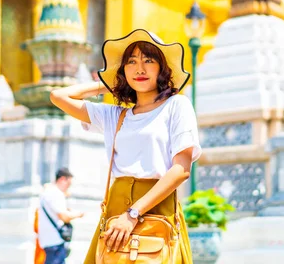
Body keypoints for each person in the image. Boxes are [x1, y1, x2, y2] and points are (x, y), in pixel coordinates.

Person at [50, 29, 201, 264]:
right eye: (131, 62)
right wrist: (107, 84)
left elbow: (181, 168)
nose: (139, 69)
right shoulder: (115, 116)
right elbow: (58, 96)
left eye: (148, 60)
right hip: (116, 211)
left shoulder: (177, 106)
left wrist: (133, 214)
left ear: (162, 68)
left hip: (155, 208)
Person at [38, 168, 84, 264]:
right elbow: (64, 217)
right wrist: (78, 214)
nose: (68, 187)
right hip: (55, 242)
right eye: (68, 184)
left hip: (48, 240)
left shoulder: (47, 192)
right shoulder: (55, 193)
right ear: (62, 179)